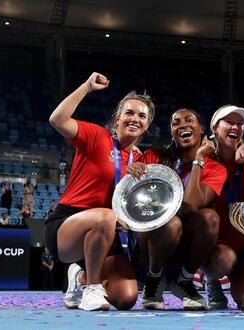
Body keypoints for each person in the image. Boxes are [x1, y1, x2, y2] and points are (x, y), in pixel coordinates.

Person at [45, 72, 152, 311]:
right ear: (117, 118)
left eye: (142, 116)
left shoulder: (140, 161)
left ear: (147, 126)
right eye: (129, 113)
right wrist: (86, 87)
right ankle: (92, 287)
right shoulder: (96, 136)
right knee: (105, 215)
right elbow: (57, 120)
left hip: (106, 234)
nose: (135, 118)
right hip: (68, 224)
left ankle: (79, 277)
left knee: (126, 298)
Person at [126, 108, 227, 310]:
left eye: (189, 120)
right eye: (176, 122)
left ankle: (184, 280)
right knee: (171, 223)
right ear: (171, 132)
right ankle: (153, 281)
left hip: (186, 250)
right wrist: (130, 174)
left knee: (210, 218)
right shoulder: (153, 157)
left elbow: (190, 206)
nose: (182, 125)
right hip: (150, 244)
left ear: (201, 130)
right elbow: (131, 201)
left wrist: (199, 160)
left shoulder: (215, 168)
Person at [201, 105, 244, 309]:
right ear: (215, 128)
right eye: (229, 122)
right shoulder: (204, 160)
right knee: (224, 259)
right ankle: (212, 279)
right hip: (219, 245)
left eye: (239, 124)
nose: (235, 126)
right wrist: (200, 159)